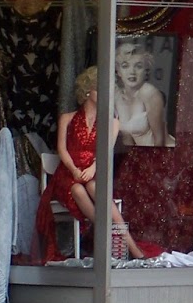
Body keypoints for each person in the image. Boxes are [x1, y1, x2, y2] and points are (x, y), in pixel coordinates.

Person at [47, 66, 145, 258]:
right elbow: (62, 149)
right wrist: (74, 170)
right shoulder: (67, 118)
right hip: (68, 175)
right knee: (76, 188)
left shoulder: (112, 121)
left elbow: (106, 151)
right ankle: (110, 239)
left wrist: (93, 168)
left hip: (92, 172)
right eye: (99, 88)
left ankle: (132, 249)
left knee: (94, 188)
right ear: (87, 91)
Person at [113, 36, 174, 148]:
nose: (132, 72)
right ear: (118, 71)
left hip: (162, 153)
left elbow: (159, 140)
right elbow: (127, 138)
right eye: (125, 66)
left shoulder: (149, 93)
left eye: (138, 66)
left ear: (145, 71)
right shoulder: (117, 96)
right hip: (141, 155)